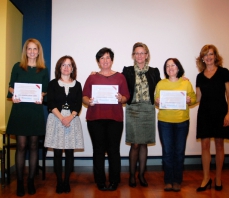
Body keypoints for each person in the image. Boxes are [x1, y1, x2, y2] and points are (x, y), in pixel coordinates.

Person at [82, 47, 130, 191]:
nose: (105, 60)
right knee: (98, 150)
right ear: (98, 61)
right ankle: (100, 181)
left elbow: (126, 96)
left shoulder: (120, 77)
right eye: (102, 58)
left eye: (108, 57)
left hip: (115, 119)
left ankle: (115, 180)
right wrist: (88, 101)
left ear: (112, 60)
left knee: (114, 150)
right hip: (95, 118)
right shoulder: (92, 77)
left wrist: (122, 98)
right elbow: (84, 96)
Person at [6, 38, 49, 197]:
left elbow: (45, 90)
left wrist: (42, 95)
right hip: (20, 111)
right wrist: (14, 94)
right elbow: (11, 85)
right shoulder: (17, 66)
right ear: (26, 51)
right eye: (29, 49)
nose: (32, 52)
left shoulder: (43, 69)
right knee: (21, 146)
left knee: (33, 146)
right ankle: (19, 182)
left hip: (35, 111)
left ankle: (31, 180)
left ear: (39, 51)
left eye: (35, 49)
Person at [122, 42, 161, 188]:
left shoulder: (154, 71)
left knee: (144, 143)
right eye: (137, 53)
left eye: (142, 53)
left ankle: (142, 175)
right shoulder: (127, 71)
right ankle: (132, 176)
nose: (139, 55)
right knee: (135, 143)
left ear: (147, 55)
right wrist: (97, 73)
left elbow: (163, 86)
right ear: (133, 55)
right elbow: (117, 82)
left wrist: (182, 78)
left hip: (148, 109)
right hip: (132, 109)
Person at [195, 44, 229, 192]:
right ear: (202, 58)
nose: (209, 57)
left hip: (220, 112)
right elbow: (197, 98)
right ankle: (206, 178)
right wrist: (182, 94)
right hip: (204, 113)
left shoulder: (224, 72)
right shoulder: (199, 76)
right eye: (206, 55)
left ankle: (218, 177)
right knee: (204, 146)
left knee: (219, 145)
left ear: (215, 56)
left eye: (211, 54)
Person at [155, 58, 196, 192]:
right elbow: (156, 101)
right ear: (165, 69)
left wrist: (189, 100)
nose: (170, 68)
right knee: (167, 152)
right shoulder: (161, 83)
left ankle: (177, 180)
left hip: (182, 122)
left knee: (179, 152)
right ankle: (168, 180)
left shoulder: (186, 83)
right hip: (165, 122)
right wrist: (157, 101)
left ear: (178, 68)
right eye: (167, 66)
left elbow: (194, 99)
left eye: (173, 65)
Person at [44, 55, 84, 194]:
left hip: (72, 121)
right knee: (57, 153)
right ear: (59, 67)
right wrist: (62, 118)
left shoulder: (77, 85)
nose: (66, 67)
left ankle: (66, 181)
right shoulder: (53, 84)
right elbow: (51, 103)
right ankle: (59, 182)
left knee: (69, 153)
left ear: (72, 68)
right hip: (56, 119)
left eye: (69, 65)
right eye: (63, 65)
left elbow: (78, 104)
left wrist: (70, 117)